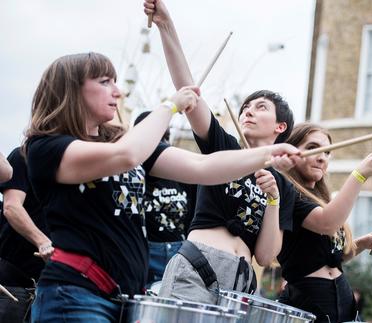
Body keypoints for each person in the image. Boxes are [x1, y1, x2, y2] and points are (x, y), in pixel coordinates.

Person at [25, 52, 300, 322]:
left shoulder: (122, 143)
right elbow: (126, 156)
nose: (117, 92)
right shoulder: (47, 148)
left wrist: (270, 154)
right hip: (74, 293)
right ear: (72, 89)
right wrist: (169, 106)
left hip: (123, 296)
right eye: (105, 82)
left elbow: (202, 168)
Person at [145, 0, 299, 304]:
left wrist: (272, 200)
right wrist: (166, 25)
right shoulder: (225, 149)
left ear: (280, 127)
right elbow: (189, 91)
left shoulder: (283, 187)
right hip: (197, 264)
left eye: (261, 107)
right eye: (246, 107)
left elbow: (266, 256)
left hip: (241, 283)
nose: (248, 112)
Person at [277, 123, 372, 323]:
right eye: (313, 148)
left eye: (328, 152)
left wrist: (363, 243)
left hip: (343, 302)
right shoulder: (288, 193)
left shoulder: (321, 199)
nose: (323, 157)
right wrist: (359, 175)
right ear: (292, 151)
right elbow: (326, 223)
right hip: (308, 303)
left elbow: (330, 259)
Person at [133, 111, 197, 287]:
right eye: (152, 137)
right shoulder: (132, 173)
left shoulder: (181, 174)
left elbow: (192, 216)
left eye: (165, 137)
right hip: (144, 253)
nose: (160, 145)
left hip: (178, 252)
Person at [0, 147, 52, 322]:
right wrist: (43, 242)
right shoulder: (24, 155)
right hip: (14, 281)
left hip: (53, 285)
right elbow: (11, 207)